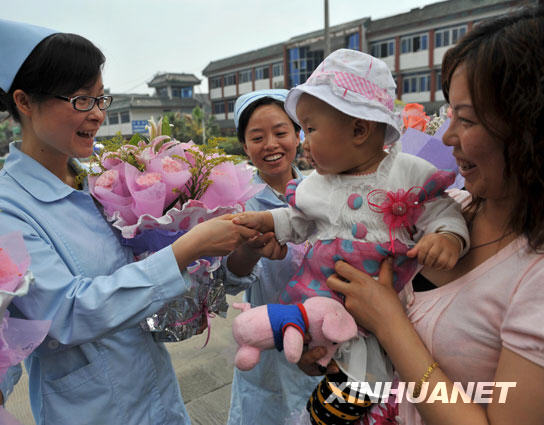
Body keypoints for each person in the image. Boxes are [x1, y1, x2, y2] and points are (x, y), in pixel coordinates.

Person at [0, 18, 258, 425]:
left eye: (101, 99)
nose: (98, 115)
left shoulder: (103, 187)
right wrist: (185, 249)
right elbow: (65, 312)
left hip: (160, 400)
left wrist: (232, 250)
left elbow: (144, 286)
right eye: (81, 100)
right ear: (24, 102)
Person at [324, 6, 544, 424]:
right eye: (449, 115)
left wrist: (389, 322)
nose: (447, 137)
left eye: (466, 119)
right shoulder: (448, 210)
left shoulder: (535, 274)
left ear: (528, 130)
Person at [233, 49, 469, 423]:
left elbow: (441, 208)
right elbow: (297, 220)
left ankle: (353, 407)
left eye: (310, 129)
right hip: (323, 294)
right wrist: (267, 221)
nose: (304, 141)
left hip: (381, 304)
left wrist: (448, 237)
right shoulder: (316, 185)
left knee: (364, 374)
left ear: (359, 130)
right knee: (320, 347)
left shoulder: (405, 172)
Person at [223, 89, 324, 425]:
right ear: (244, 146)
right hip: (268, 349)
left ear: (298, 135)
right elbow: (230, 278)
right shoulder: (239, 202)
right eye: (257, 137)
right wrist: (249, 250)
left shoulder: (323, 191)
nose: (271, 145)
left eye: (281, 132)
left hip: (324, 337)